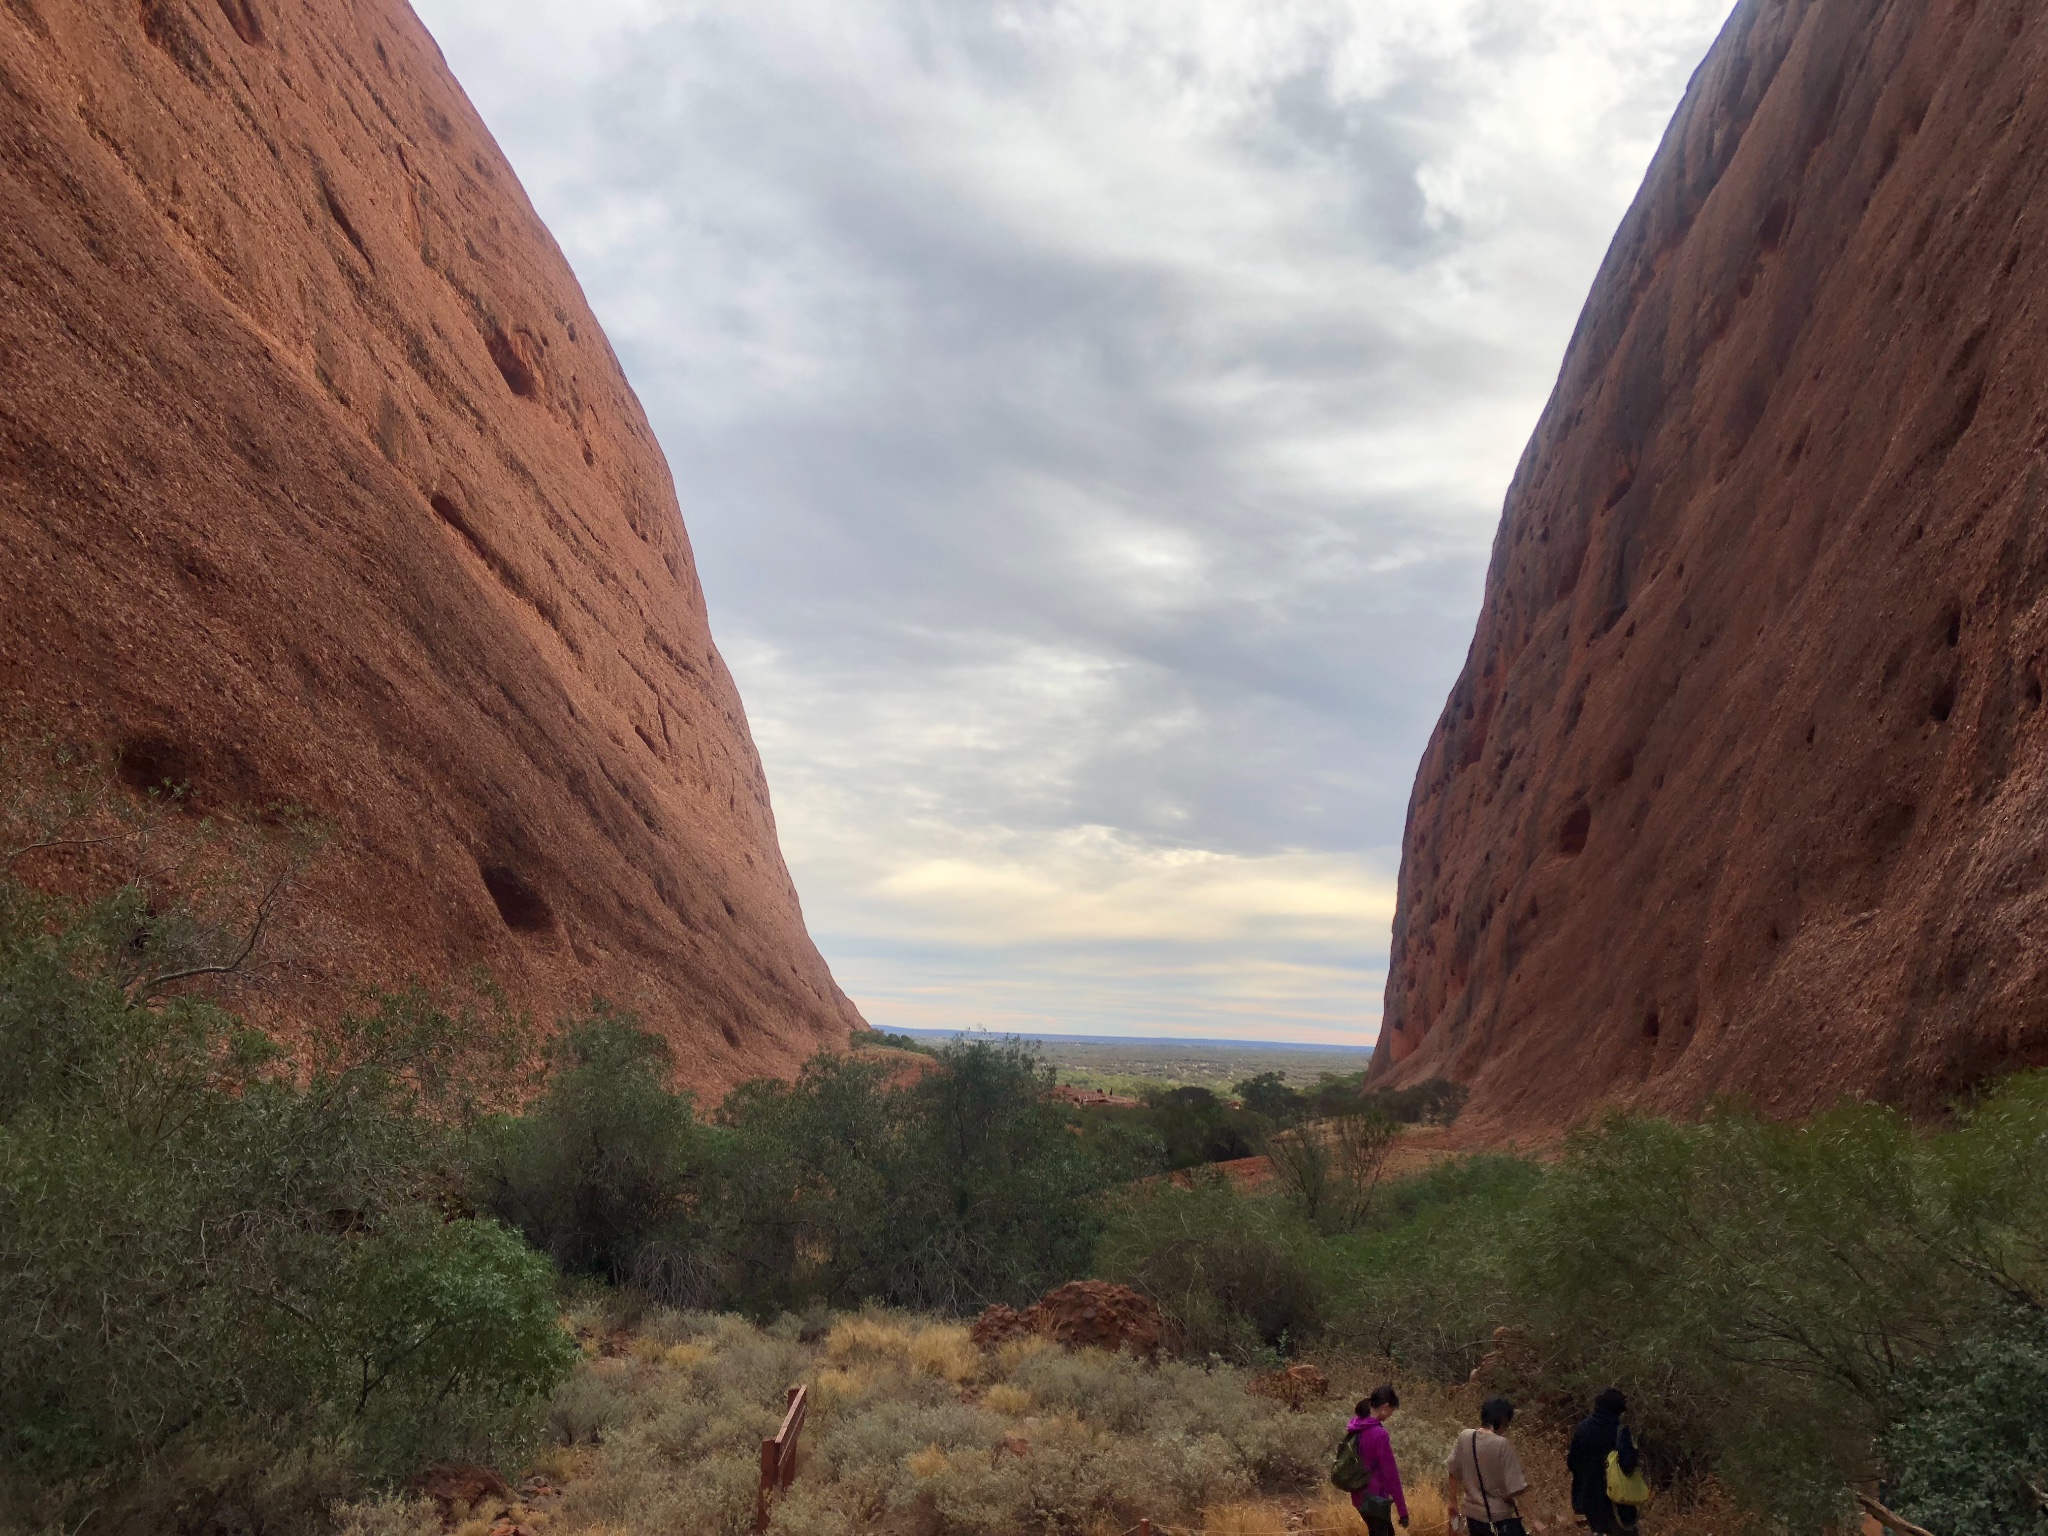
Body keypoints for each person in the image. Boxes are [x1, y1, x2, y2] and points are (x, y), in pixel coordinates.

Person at [1446, 1396, 1546, 1536]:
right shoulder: (1502, 1444)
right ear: (1503, 1420)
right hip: (1499, 1519)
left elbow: (1453, 1472)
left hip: (1473, 1517)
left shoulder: (1465, 1436)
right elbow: (1517, 1488)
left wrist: (1453, 1502)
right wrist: (1535, 1520)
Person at [1566, 1387, 1642, 1534]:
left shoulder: (1582, 1428)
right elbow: (1628, 1465)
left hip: (1589, 1499)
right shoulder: (1620, 1431)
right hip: (1617, 1501)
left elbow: (1572, 1463)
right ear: (1620, 1409)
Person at [1345, 1384, 1410, 1536]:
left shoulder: (1357, 1426)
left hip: (1359, 1497)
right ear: (1386, 1407)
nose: (1390, 1415)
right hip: (1375, 1500)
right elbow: (1391, 1475)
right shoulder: (1379, 1434)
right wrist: (1403, 1511)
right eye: (1392, 1411)